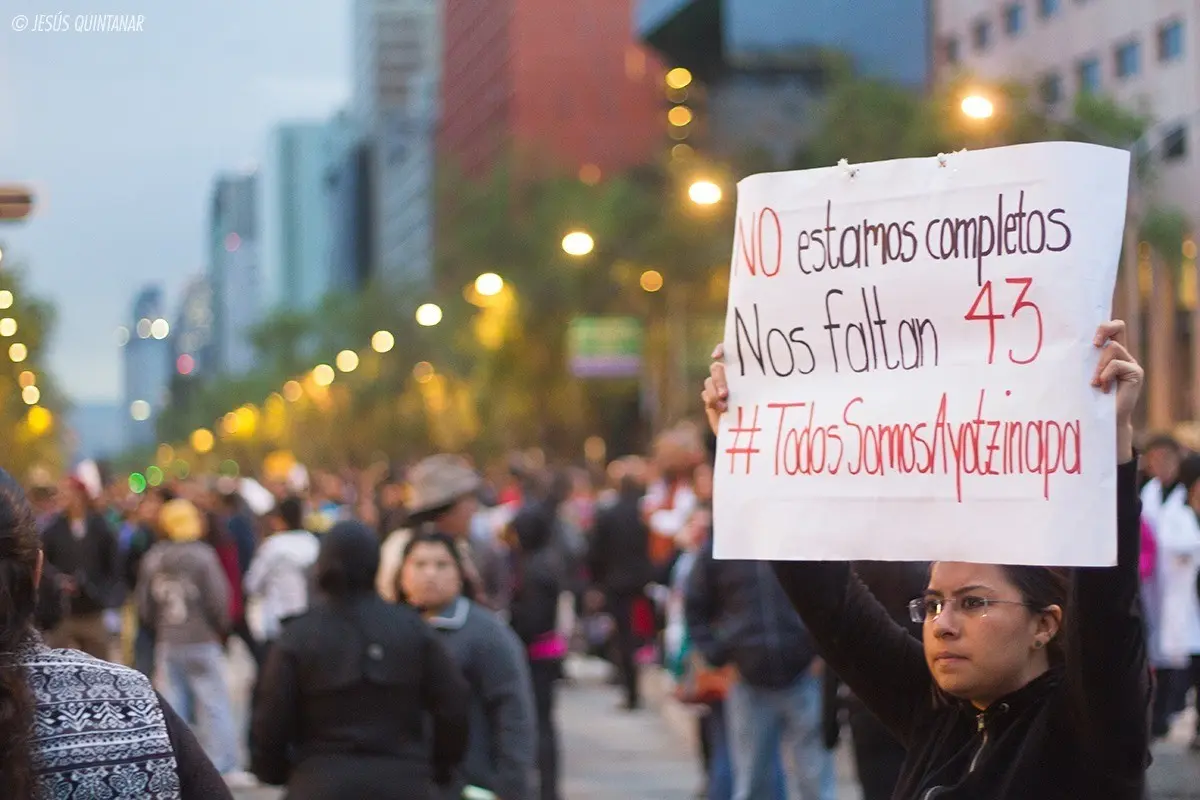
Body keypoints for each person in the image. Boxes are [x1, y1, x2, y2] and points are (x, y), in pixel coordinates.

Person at [701, 320, 1151, 800]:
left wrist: (1109, 443)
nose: (942, 625)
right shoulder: (936, 711)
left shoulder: (1090, 729)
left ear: (1045, 624)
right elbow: (829, 603)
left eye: (973, 603)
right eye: (934, 604)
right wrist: (753, 452)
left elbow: (1107, 613)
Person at [0, 468, 234, 799]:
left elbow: (126, 580)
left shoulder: (110, 533)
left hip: (98, 613)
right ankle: (226, 755)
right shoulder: (133, 701)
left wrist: (104, 596)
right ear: (37, 570)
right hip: (179, 639)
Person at [251, 521, 469, 798]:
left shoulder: (298, 636)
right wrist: (441, 768)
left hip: (320, 781)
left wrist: (276, 770)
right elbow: (453, 704)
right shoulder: (412, 629)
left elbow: (270, 716)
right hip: (402, 781)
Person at [398, 531, 537, 800]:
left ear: (460, 573)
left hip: (471, 785)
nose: (430, 575)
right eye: (419, 564)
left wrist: (511, 786)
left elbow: (512, 712)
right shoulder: (392, 629)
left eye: (441, 565)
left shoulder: (486, 634)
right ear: (402, 573)